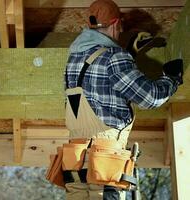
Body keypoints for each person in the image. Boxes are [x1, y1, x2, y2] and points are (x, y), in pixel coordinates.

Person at [63, 0, 183, 199]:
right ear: (115, 23)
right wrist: (171, 79)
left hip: (75, 166)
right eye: (120, 28)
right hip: (104, 165)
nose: (120, 33)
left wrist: (129, 55)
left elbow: (98, 85)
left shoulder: (73, 59)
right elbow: (149, 98)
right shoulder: (114, 56)